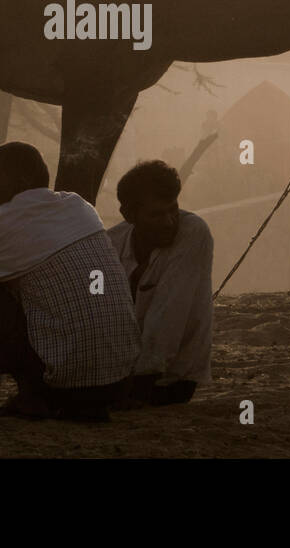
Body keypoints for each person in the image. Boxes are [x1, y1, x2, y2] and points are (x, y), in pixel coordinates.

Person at [0, 143, 140, 421]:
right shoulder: (78, 206)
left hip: (67, 386)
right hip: (120, 381)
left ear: (20, 182)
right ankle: (51, 390)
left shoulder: (0, 225)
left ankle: (32, 395)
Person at [107, 160, 213, 405]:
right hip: (118, 369)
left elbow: (169, 312)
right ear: (129, 215)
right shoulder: (112, 241)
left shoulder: (193, 232)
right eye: (156, 215)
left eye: (172, 209)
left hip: (169, 379)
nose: (168, 222)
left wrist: (138, 376)